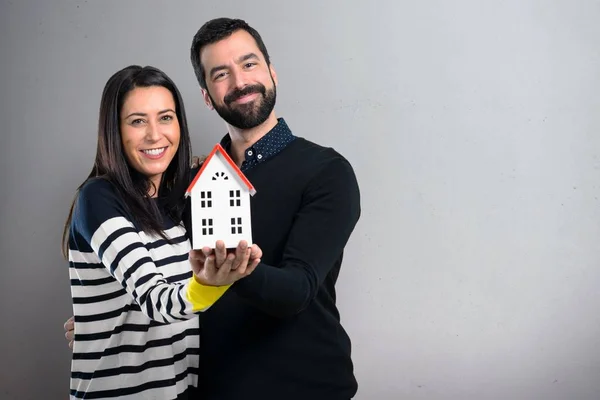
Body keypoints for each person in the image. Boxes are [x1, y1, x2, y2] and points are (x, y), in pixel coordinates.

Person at [187, 18, 362, 400]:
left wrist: (229, 271)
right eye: (221, 74)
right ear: (206, 95)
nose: (239, 82)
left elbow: (297, 290)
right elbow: (168, 279)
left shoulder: (327, 172)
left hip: (309, 389)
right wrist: (113, 321)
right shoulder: (196, 183)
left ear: (271, 72)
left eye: (249, 64)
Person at [62, 64, 261, 399]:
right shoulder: (98, 198)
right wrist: (210, 284)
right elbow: (156, 301)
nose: (155, 135)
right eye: (138, 121)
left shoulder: (177, 202)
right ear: (115, 130)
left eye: (166, 117)